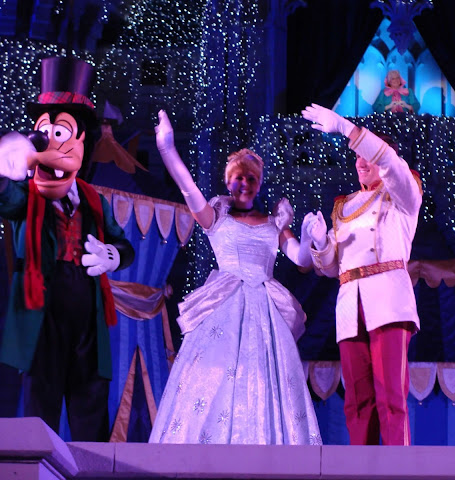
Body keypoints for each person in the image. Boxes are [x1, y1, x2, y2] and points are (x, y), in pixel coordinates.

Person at [148, 110, 321, 445]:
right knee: (215, 378)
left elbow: (300, 258)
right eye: (238, 177)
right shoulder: (216, 218)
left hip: (265, 313)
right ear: (228, 181)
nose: (244, 184)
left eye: (251, 179)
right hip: (223, 304)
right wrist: (167, 148)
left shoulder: (275, 223)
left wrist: (310, 238)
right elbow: (187, 188)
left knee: (265, 379)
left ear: (259, 184)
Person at [0, 56, 134, 441]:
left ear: (80, 143)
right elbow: (5, 198)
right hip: (43, 308)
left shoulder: (94, 200)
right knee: (40, 406)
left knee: (90, 405)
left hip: (87, 315)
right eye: (44, 132)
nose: (49, 142)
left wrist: (113, 256)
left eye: (62, 132)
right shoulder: (25, 194)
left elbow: (123, 243)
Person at [301, 103, 422, 445]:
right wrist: (320, 242)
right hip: (350, 306)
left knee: (390, 397)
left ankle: (399, 471)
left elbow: (390, 165)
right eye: (356, 157)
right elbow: (329, 268)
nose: (361, 161)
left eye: (367, 154)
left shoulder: (403, 195)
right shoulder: (344, 205)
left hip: (387, 301)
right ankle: (360, 470)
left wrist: (346, 128)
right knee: (357, 401)